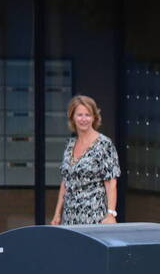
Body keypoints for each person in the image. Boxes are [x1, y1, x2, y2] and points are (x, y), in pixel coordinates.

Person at [51, 95, 121, 226]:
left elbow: (111, 182)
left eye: (88, 115)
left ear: (94, 117)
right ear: (72, 117)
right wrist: (57, 214)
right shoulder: (70, 144)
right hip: (70, 218)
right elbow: (65, 181)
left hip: (94, 217)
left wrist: (111, 214)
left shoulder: (104, 144)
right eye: (79, 115)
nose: (84, 119)